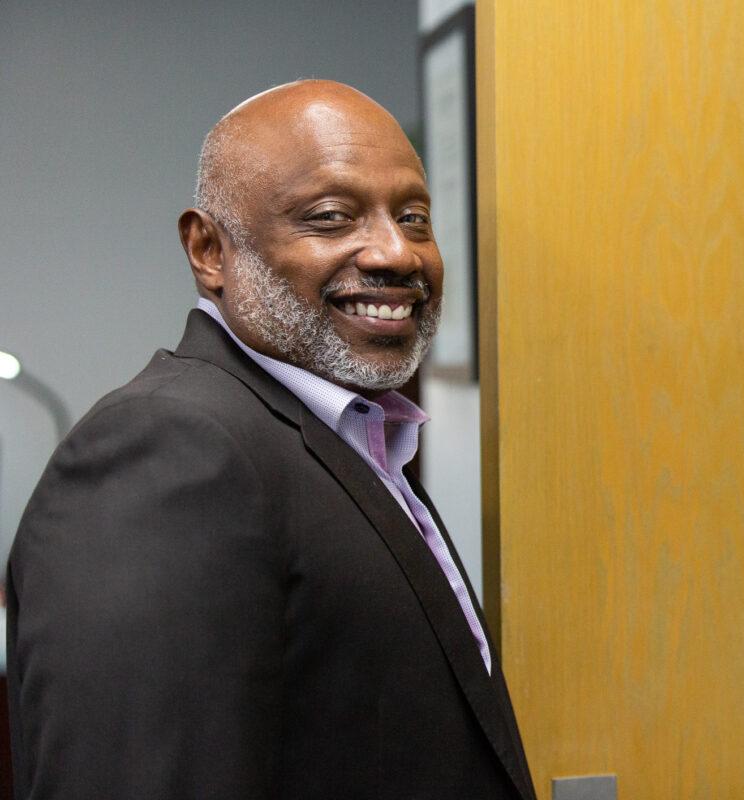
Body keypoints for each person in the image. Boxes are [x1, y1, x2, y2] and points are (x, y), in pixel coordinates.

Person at [5, 80, 535, 800]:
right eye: (330, 217)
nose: (396, 253)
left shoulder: (359, 440)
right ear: (209, 249)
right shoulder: (169, 449)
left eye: (414, 217)